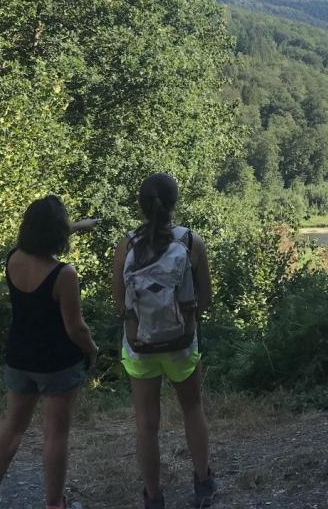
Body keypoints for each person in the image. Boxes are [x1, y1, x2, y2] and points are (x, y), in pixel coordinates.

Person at [0, 195, 100, 509]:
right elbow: (75, 328)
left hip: (19, 358)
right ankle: (54, 504)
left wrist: (75, 226)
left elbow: (41, 236)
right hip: (56, 363)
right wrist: (93, 350)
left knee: (13, 426)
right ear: (57, 233)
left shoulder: (13, 258)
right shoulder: (64, 274)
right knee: (56, 435)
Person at [113, 172, 216, 508]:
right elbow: (207, 299)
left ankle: (153, 496)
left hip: (139, 346)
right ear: (175, 203)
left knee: (146, 424)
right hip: (181, 344)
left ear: (141, 206)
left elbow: (118, 303)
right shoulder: (190, 242)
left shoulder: (126, 245)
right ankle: (203, 483)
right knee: (192, 408)